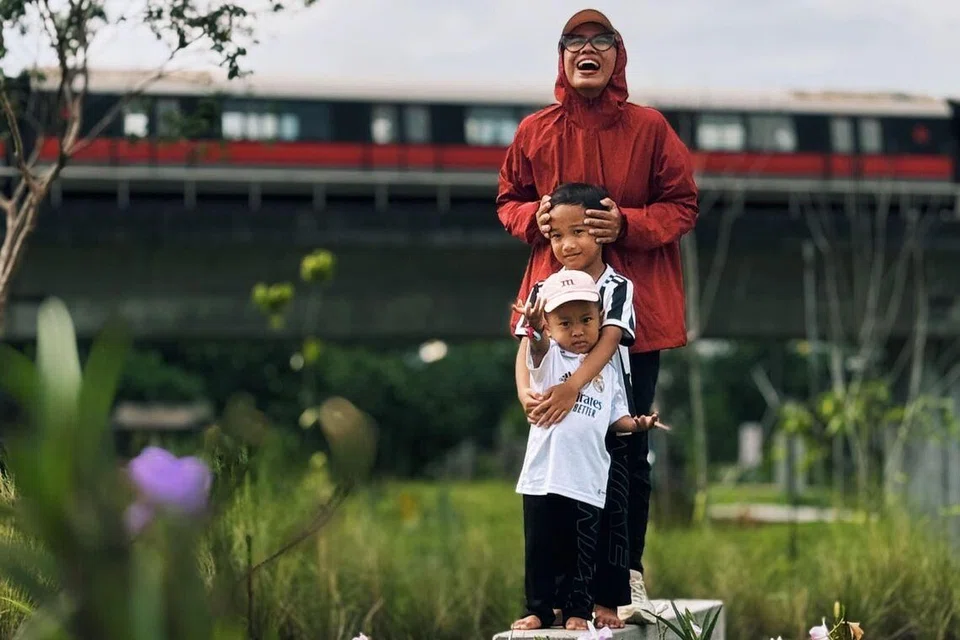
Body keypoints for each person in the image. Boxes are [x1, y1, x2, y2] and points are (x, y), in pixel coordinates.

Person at [497, 7, 699, 625]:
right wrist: (534, 218)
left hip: (638, 319)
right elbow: (507, 199)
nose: (588, 50)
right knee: (556, 448)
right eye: (575, 42)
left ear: (618, 55)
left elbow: (683, 204)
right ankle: (558, 596)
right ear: (562, 58)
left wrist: (627, 224)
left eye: (601, 41)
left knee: (626, 452)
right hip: (555, 315)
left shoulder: (650, 128)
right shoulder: (535, 130)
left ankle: (622, 584)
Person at [510, 269, 663, 632]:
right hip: (543, 477)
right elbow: (535, 349)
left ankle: (577, 610)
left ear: (600, 318)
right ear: (550, 328)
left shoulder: (607, 372)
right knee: (541, 548)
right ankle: (539, 609)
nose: (577, 331)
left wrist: (639, 424)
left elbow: (617, 419)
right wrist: (533, 329)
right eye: (565, 323)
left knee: (582, 550)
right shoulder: (550, 359)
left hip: (587, 479)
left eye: (586, 320)